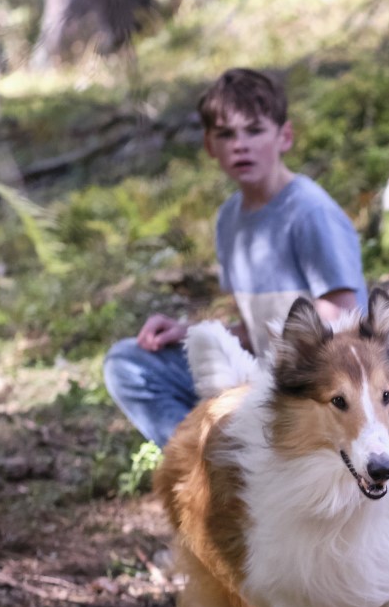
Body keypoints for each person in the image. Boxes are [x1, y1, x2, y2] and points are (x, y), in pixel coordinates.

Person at [102, 68, 366, 446]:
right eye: (226, 134)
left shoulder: (310, 212)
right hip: (257, 377)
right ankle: (206, 465)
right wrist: (192, 334)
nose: (240, 145)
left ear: (284, 137)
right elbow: (254, 331)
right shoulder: (229, 218)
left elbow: (345, 322)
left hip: (314, 387)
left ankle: (250, 464)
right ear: (210, 145)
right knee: (129, 364)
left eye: (255, 130)